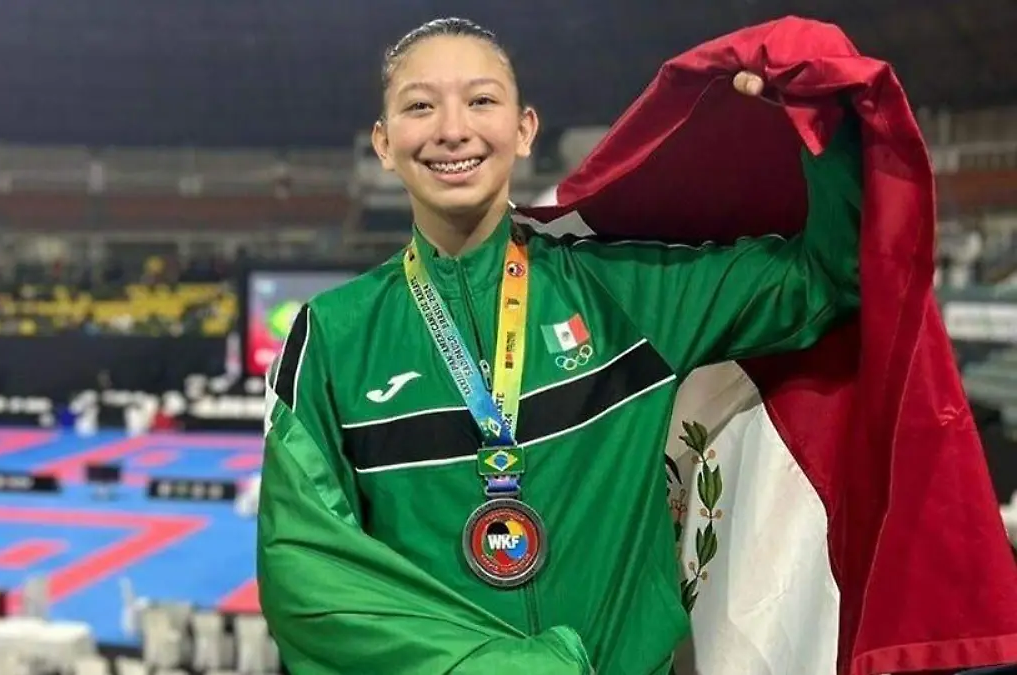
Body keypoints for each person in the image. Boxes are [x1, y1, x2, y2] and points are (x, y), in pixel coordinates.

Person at [257, 17, 862, 675]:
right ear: (383, 142)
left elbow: (827, 278)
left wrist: (827, 129)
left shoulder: (626, 293)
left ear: (524, 130)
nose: (452, 129)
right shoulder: (332, 337)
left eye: (481, 100)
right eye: (420, 106)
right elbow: (303, 569)